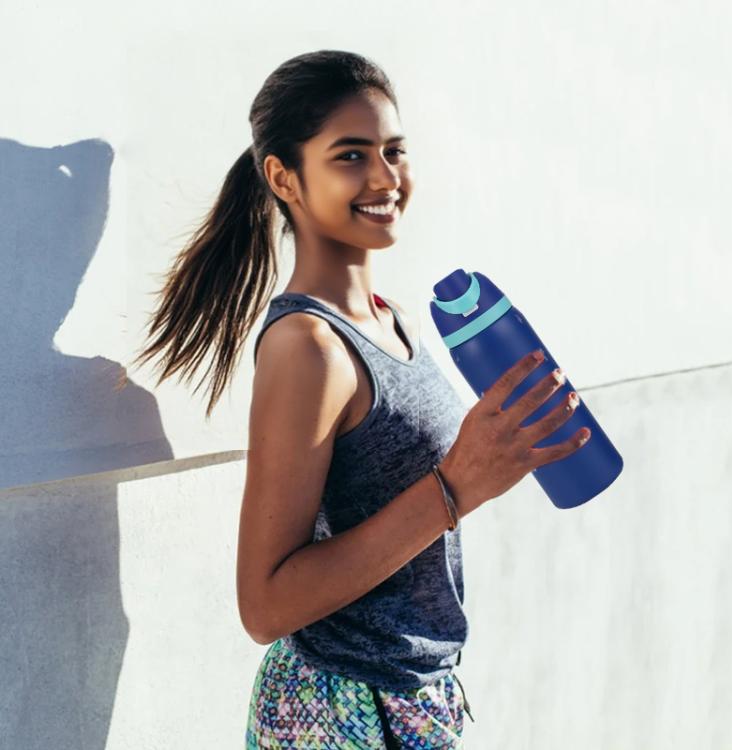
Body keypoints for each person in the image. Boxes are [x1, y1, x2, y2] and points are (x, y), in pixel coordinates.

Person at [124, 49, 589, 749]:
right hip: (336, 712)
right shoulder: (307, 347)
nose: (385, 177)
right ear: (284, 177)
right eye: (350, 155)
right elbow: (265, 605)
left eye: (394, 150)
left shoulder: (393, 319)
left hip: (415, 700)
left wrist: (497, 456)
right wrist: (456, 486)